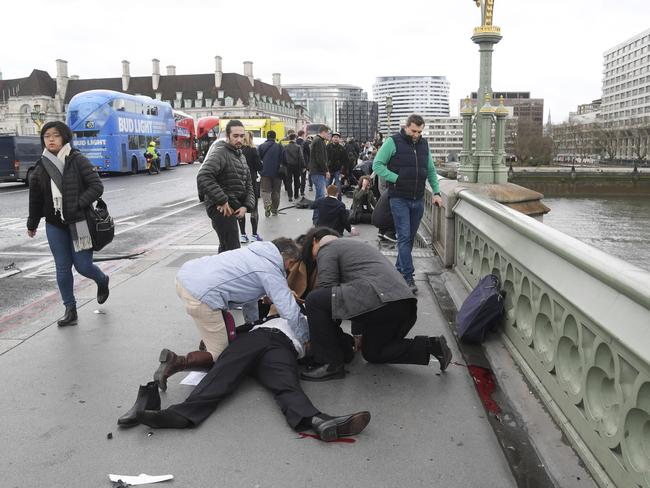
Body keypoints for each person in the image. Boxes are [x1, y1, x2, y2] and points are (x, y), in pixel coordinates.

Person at [137, 316, 371, 442]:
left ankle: (319, 421)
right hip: (256, 339)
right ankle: (181, 415)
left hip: (283, 348)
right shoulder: (268, 318)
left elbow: (344, 349)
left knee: (286, 385)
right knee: (223, 374)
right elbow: (229, 335)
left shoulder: (319, 324)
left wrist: (348, 345)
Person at [153, 238, 307, 391]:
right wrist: (305, 338)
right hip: (202, 295)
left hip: (186, 278)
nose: (290, 269)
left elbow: (249, 297)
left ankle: (207, 342)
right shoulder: (270, 269)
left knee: (219, 328)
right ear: (287, 259)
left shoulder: (256, 252)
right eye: (291, 264)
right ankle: (176, 362)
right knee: (221, 356)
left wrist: (253, 326)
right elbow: (290, 311)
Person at [300, 232, 452, 381]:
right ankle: (431, 346)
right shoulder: (354, 249)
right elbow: (353, 294)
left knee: (314, 300)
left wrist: (325, 335)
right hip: (401, 303)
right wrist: (357, 334)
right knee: (373, 352)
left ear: (314, 241)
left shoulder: (326, 247)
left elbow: (328, 290)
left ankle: (330, 364)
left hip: (381, 299)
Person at [26, 121, 110, 327]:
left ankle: (102, 280)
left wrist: (78, 204)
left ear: (64, 137)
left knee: (83, 266)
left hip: (79, 222)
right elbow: (35, 198)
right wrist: (32, 223)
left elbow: (96, 187)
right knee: (62, 268)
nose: (51, 139)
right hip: (54, 224)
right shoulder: (41, 166)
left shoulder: (77, 159)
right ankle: (70, 309)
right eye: (47, 136)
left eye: (55, 135)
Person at [372, 114, 442, 294]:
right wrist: (397, 178)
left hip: (418, 199)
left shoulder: (424, 144)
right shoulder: (392, 142)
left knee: (409, 238)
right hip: (399, 198)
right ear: (406, 127)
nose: (416, 135)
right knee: (403, 237)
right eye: (413, 131)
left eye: (419, 131)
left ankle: (398, 270)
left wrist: (436, 192)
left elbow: (431, 171)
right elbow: (377, 165)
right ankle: (408, 277)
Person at [197, 119, 255, 253]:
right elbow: (203, 176)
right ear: (228, 136)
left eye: (242, 136)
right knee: (232, 250)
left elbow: (248, 184)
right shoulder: (220, 152)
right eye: (235, 136)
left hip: (234, 207)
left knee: (226, 249)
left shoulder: (241, 156)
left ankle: (220, 273)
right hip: (221, 209)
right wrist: (222, 200)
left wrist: (246, 206)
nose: (239, 139)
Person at [239, 131, 263, 242]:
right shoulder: (253, 150)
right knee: (254, 208)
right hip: (251, 182)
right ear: (251, 138)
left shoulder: (238, 151)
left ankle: (243, 235)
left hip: (239, 183)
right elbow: (259, 166)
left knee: (240, 208)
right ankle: (254, 234)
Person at [258, 130, 285, 217]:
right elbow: (284, 160)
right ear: (275, 137)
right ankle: (274, 209)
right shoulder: (280, 147)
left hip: (265, 173)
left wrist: (260, 171)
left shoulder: (261, 146)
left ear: (267, 137)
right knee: (276, 192)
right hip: (277, 173)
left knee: (265, 191)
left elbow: (258, 160)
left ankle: (267, 206)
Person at [308, 126, 330, 219]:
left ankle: (317, 217)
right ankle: (317, 218)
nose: (328, 135)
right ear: (323, 132)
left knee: (319, 195)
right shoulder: (319, 141)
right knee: (320, 195)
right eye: (328, 133)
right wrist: (326, 170)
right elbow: (320, 158)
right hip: (318, 172)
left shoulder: (317, 140)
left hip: (315, 171)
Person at [282, 133, 305, 203]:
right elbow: (301, 157)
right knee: (296, 180)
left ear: (289, 139)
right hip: (296, 165)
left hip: (288, 166)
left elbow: (283, 156)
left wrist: (284, 164)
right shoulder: (298, 147)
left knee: (289, 181)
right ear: (295, 138)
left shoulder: (285, 147)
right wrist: (303, 166)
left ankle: (290, 196)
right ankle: (296, 195)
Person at [326, 132, 347, 200]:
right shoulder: (328, 147)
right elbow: (325, 159)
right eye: (334, 137)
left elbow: (345, 161)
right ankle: (328, 200)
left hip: (338, 170)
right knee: (327, 185)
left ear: (339, 139)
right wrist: (326, 170)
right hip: (329, 169)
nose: (336, 138)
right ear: (332, 138)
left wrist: (343, 172)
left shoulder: (342, 148)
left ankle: (339, 201)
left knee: (338, 186)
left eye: (337, 137)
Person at [295, 130, 310, 197]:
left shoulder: (295, 142)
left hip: (295, 163)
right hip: (303, 163)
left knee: (296, 178)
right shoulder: (305, 143)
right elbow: (309, 153)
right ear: (303, 134)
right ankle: (302, 191)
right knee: (303, 178)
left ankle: (296, 191)